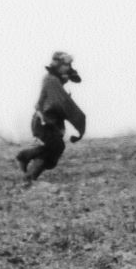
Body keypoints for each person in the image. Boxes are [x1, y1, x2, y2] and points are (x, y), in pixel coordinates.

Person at [15, 52, 86, 183]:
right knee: (56, 146)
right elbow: (59, 102)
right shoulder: (51, 80)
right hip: (44, 121)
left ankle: (29, 174)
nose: (68, 67)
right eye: (66, 65)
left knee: (52, 151)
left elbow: (77, 79)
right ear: (59, 65)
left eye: (69, 65)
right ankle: (25, 159)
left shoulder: (56, 78)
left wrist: (70, 73)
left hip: (51, 122)